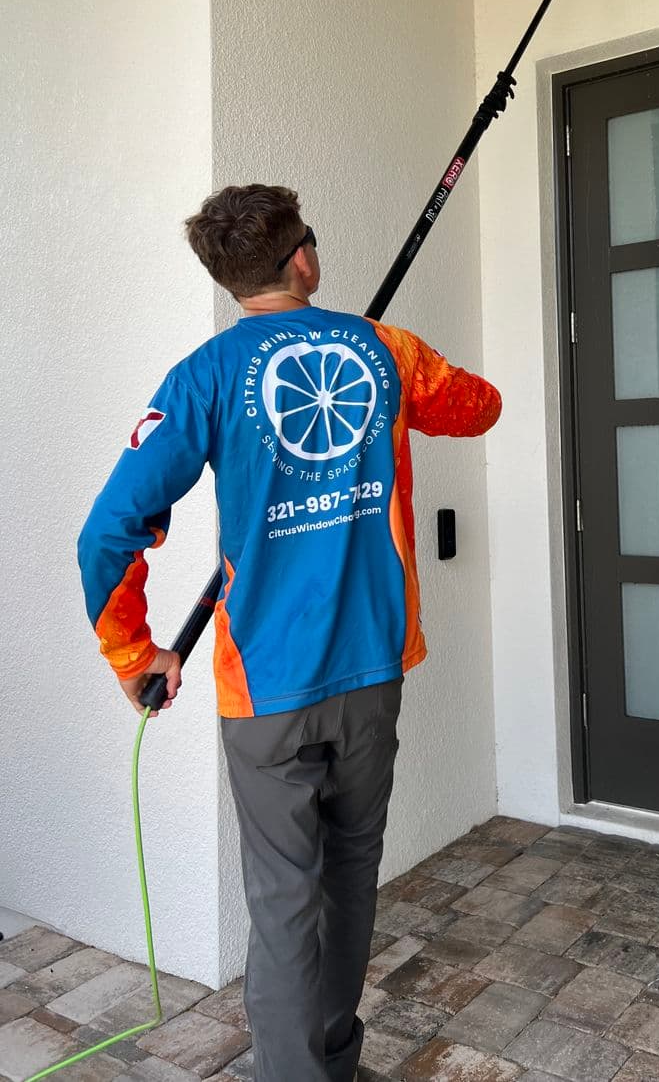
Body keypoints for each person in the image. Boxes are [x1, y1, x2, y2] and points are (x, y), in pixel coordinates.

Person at [77, 183, 501, 1082]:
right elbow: (481, 405)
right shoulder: (386, 350)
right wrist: (392, 380)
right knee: (349, 883)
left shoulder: (203, 376)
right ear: (301, 257)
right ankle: (330, 1063)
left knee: (283, 906)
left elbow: (107, 533)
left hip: (265, 692)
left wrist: (135, 653)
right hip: (371, 673)